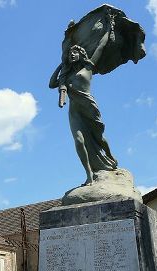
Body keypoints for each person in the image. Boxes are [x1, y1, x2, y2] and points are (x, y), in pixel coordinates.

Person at [49, 13, 118, 186]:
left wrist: (109, 26)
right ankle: (89, 175)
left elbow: (101, 45)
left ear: (81, 54)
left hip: (89, 107)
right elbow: (51, 84)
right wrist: (61, 64)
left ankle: (110, 157)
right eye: (70, 52)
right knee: (79, 142)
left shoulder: (89, 67)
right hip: (75, 111)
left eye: (75, 52)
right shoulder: (68, 74)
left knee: (100, 138)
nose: (72, 54)